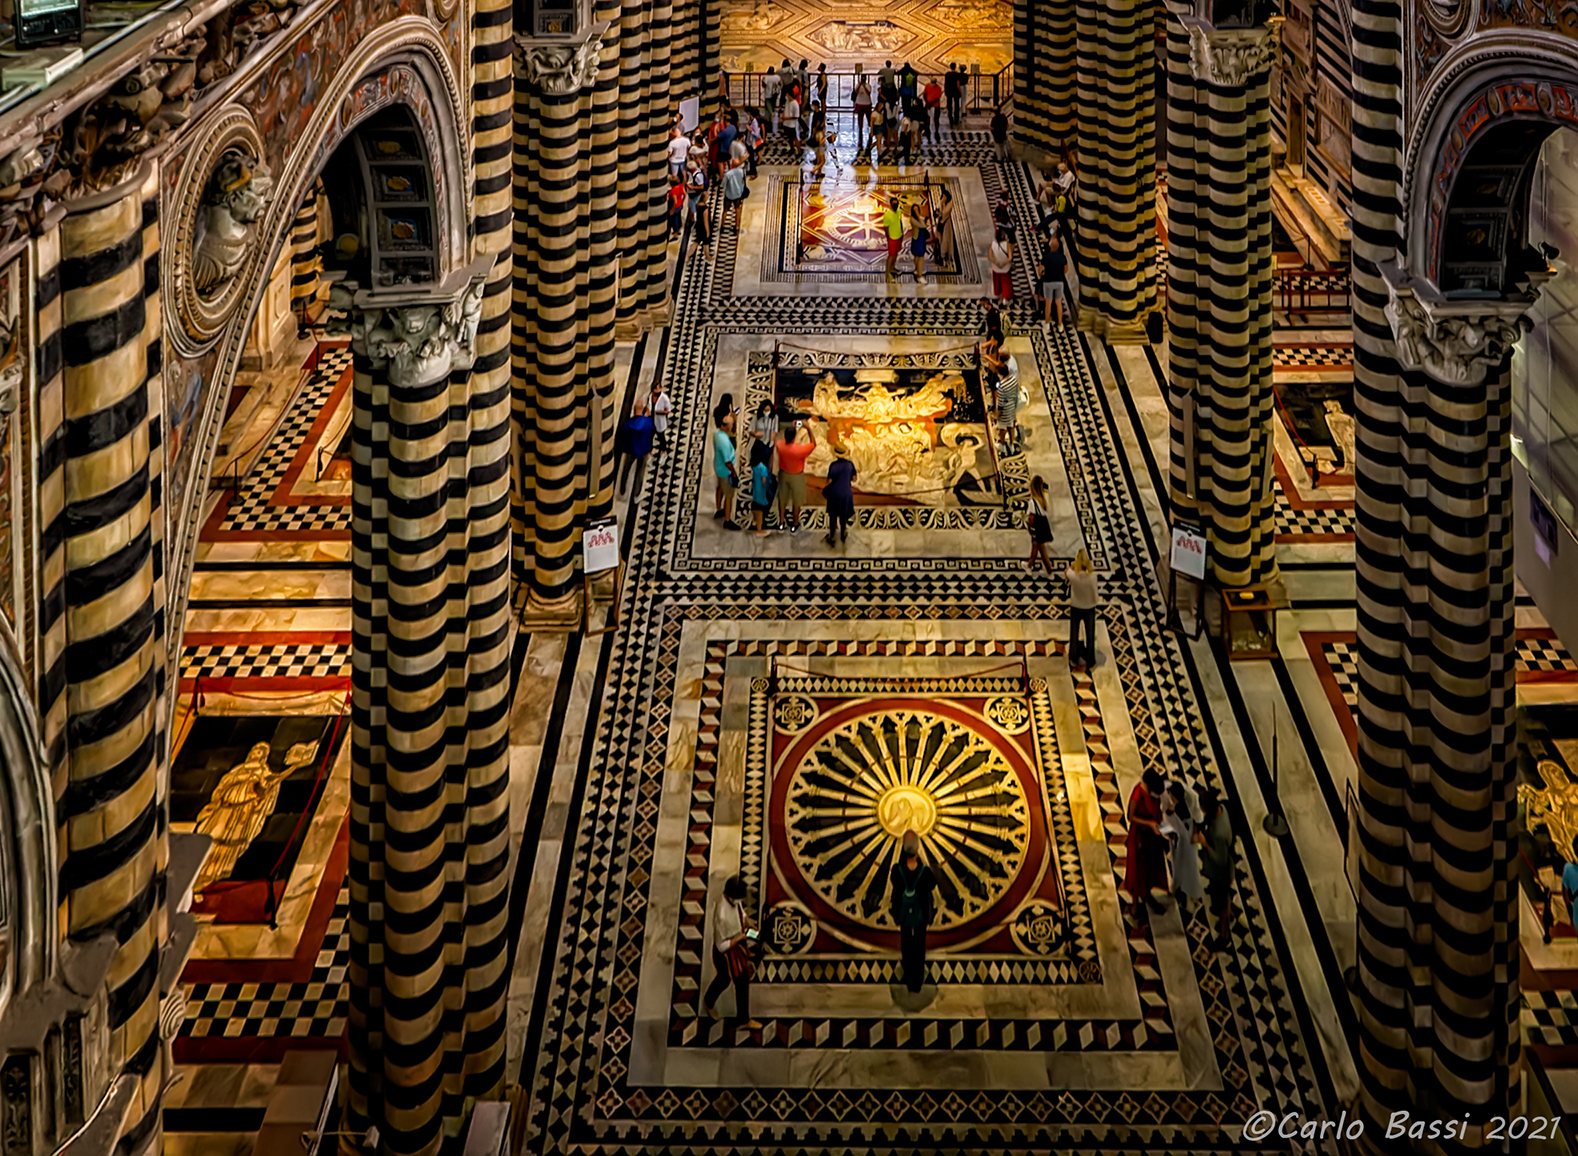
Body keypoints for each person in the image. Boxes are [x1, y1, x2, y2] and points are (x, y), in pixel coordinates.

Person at [703, 875, 760, 1028]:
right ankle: (709, 1002)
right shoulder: (722, 916)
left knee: (739, 982)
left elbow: (741, 912)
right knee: (725, 979)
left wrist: (748, 922)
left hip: (736, 946)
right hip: (725, 955)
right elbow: (721, 945)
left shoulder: (734, 900)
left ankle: (743, 1019)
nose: (738, 902)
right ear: (729, 895)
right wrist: (740, 937)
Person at [889, 829, 936, 993]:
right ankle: (918, 980)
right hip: (920, 914)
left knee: (907, 945)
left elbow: (894, 884)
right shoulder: (925, 872)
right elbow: (932, 884)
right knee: (919, 946)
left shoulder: (897, 870)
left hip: (904, 914)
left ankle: (909, 979)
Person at [1125, 769, 1170, 927]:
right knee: (1138, 871)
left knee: (1150, 868)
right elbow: (1130, 817)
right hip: (1139, 838)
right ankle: (1136, 906)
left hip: (1152, 837)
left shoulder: (1153, 793)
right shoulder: (1137, 795)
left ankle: (1148, 895)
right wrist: (1149, 824)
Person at [1196, 789, 1235, 950]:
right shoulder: (1222, 810)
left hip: (1220, 873)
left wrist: (1204, 842)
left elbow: (1219, 859)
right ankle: (1227, 915)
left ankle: (1224, 935)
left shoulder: (1219, 834)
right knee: (1223, 898)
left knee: (1221, 904)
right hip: (1224, 870)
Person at [1160, 782, 1204, 915]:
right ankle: (1177, 886)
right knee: (1177, 862)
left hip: (1187, 834)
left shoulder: (1191, 799)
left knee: (1189, 864)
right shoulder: (1164, 795)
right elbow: (1159, 820)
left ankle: (1190, 894)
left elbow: (1198, 819)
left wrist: (1195, 833)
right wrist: (1168, 833)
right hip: (1175, 834)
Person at [776, 418, 815, 532]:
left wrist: (791, 428)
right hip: (796, 476)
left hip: (783, 474)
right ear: (794, 438)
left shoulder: (780, 445)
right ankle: (795, 524)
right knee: (797, 501)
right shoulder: (799, 450)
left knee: (782, 499)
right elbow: (813, 444)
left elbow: (781, 439)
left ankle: (781, 523)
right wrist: (808, 428)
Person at [1066, 547, 1098, 669]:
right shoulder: (1092, 576)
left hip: (1076, 606)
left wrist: (1073, 565)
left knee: (1074, 632)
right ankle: (1090, 660)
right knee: (1090, 634)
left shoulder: (1073, 576)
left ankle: (1073, 658)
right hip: (1089, 607)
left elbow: (1066, 571)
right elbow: (1095, 591)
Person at [617, 398, 655, 499]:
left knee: (626, 470)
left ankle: (622, 490)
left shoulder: (628, 423)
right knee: (640, 472)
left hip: (630, 449)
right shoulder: (648, 422)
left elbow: (623, 435)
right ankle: (637, 494)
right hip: (643, 450)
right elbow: (651, 433)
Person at [712, 405, 740, 529]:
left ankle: (719, 509)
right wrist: (733, 472)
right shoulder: (723, 441)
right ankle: (727, 520)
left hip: (718, 467)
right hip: (725, 471)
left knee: (720, 488)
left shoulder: (717, 434)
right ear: (724, 426)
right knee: (729, 495)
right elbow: (728, 461)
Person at [824, 440, 856, 545]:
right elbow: (854, 478)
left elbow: (829, 481)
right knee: (844, 514)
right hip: (846, 492)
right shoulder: (850, 464)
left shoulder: (833, 465)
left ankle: (832, 536)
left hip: (834, 493)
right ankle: (843, 533)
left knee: (833, 515)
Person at [1039, 234, 1069, 330]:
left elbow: (1040, 269)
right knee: (1058, 302)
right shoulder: (1062, 257)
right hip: (1059, 282)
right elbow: (1066, 269)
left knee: (1048, 302)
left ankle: (1047, 322)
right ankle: (1060, 324)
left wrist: (1042, 276)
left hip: (1048, 281)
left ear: (1050, 246)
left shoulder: (1046, 257)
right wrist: (1060, 274)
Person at [1024, 474, 1053, 572]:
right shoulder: (1045, 498)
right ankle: (1029, 565)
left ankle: (1049, 571)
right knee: (1036, 546)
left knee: (1040, 549)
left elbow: (1031, 517)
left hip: (1037, 526)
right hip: (1044, 524)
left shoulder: (1033, 502)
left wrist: (1030, 527)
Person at [750, 444, 774, 536]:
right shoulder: (763, 468)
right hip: (761, 492)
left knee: (756, 506)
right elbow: (765, 481)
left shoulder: (755, 465)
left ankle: (755, 523)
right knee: (760, 509)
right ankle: (759, 529)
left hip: (756, 490)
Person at [934, 185, 957, 271]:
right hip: (939, 223)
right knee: (940, 240)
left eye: (945, 196)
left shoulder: (949, 204)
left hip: (946, 223)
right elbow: (937, 211)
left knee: (946, 240)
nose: (943, 197)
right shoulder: (940, 203)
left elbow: (944, 212)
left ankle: (945, 256)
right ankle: (941, 256)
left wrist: (942, 206)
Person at [908, 198, 930, 284]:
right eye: (915, 210)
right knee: (920, 256)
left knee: (918, 256)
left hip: (921, 238)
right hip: (917, 239)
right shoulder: (912, 219)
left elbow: (923, 224)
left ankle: (917, 270)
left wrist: (921, 218)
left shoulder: (918, 218)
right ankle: (920, 276)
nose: (917, 211)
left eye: (918, 209)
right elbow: (923, 226)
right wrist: (918, 215)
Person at [882, 196, 906, 279]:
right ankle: (887, 273)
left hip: (899, 236)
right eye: (894, 204)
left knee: (896, 254)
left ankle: (893, 268)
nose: (896, 205)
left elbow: (900, 221)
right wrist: (888, 238)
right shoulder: (887, 215)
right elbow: (885, 228)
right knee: (891, 256)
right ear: (891, 204)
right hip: (892, 238)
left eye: (897, 203)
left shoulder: (899, 211)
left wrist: (902, 231)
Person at [722, 156, 748, 231]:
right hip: (738, 193)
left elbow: (723, 185)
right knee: (737, 209)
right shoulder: (741, 172)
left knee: (726, 210)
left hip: (729, 194)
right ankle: (737, 226)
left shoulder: (728, 174)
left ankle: (723, 226)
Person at [989, 228, 1014, 301]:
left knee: (997, 282)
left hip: (996, 267)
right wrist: (1003, 263)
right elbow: (1010, 257)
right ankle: (1006, 297)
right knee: (1006, 283)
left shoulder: (993, 244)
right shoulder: (1007, 244)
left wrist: (997, 263)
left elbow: (991, 256)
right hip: (1005, 268)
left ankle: (998, 293)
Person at [853, 74, 873, 152]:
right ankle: (860, 137)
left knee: (869, 120)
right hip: (860, 104)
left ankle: (870, 134)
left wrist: (864, 86)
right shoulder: (858, 85)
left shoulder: (868, 86)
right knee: (860, 120)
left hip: (867, 104)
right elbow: (856, 91)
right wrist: (859, 85)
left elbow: (868, 93)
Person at [652, 383, 672, 453]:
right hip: (651, 420)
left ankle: (664, 450)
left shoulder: (664, 398)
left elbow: (668, 410)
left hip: (660, 421)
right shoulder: (651, 396)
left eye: (657, 388)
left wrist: (659, 412)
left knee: (661, 437)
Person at [762, 66, 782, 135]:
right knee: (771, 109)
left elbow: (764, 85)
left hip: (768, 95)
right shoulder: (777, 77)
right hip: (775, 95)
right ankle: (771, 126)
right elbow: (780, 84)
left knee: (769, 111)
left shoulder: (766, 77)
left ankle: (769, 126)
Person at [923, 75, 942, 141]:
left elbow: (937, 98)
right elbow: (924, 94)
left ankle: (936, 131)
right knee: (927, 118)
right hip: (929, 105)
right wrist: (927, 102)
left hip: (935, 105)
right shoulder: (927, 86)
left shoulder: (938, 88)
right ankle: (927, 129)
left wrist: (930, 103)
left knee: (936, 119)